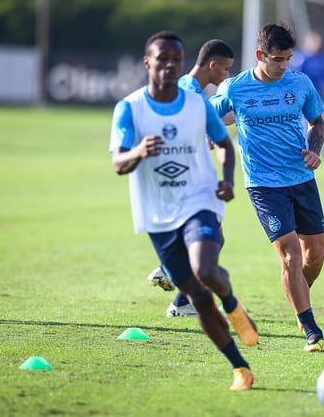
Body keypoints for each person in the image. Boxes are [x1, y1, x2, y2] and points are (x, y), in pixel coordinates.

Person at [109, 30, 254, 390]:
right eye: (163, 59)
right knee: (198, 299)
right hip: (157, 214)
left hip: (199, 199)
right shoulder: (129, 108)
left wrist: (228, 180)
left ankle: (233, 304)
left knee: (206, 269)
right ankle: (240, 367)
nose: (170, 65)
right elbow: (118, 164)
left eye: (176, 59)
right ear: (147, 63)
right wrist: (139, 151)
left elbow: (223, 143)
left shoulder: (196, 103)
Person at [211, 22, 324, 353]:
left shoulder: (300, 83)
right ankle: (309, 326)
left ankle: (297, 293)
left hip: (302, 179)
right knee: (289, 252)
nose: (283, 66)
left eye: (288, 59)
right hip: (263, 184)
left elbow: (317, 121)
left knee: (314, 255)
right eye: (278, 59)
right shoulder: (235, 88)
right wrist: (208, 135)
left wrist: (314, 151)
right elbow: (209, 115)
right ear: (260, 55)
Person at [146, 39, 239, 319]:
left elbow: (209, 123)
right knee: (211, 239)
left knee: (215, 238)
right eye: (225, 69)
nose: (226, 76)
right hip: (186, 177)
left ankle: (180, 299)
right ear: (212, 65)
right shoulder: (189, 92)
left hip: (184, 175)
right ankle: (171, 274)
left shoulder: (192, 90)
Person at [290, 31, 324, 117]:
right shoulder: (299, 59)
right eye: (313, 41)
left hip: (318, 95)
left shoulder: (322, 59)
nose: (316, 44)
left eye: (317, 42)